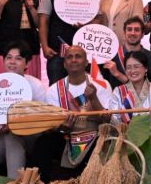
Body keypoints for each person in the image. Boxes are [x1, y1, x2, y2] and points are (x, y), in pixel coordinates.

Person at [36, 46, 112, 176]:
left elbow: (107, 120)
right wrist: (62, 127)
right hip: (66, 136)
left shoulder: (102, 84)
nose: (74, 60)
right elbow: (51, 127)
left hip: (94, 135)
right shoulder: (54, 90)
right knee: (43, 143)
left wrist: (93, 98)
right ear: (64, 64)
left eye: (78, 56)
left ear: (86, 62)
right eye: (69, 57)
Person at [0, 42, 48, 177]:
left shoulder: (36, 85)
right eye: (9, 57)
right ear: (3, 61)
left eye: (18, 58)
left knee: (12, 134)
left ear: (27, 63)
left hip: (31, 136)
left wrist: (15, 125)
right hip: (5, 135)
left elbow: (42, 118)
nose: (12, 62)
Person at [39, 0, 89, 84]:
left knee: (83, 88)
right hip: (56, 52)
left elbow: (97, 19)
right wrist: (44, 46)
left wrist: (85, 25)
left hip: (82, 51)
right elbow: (43, 21)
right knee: (57, 88)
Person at [103, 17, 151, 87]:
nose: (133, 33)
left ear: (142, 34)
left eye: (137, 30)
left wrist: (118, 74)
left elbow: (149, 87)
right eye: (129, 29)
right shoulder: (112, 55)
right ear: (124, 33)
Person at [108, 50, 151, 126]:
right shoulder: (118, 91)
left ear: (146, 68)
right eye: (128, 67)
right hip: (125, 131)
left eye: (136, 67)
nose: (132, 71)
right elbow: (114, 119)